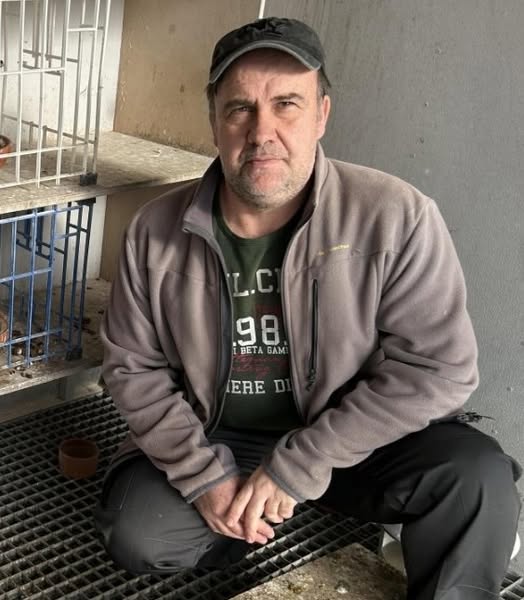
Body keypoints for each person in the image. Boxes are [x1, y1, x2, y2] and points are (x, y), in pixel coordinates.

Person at [96, 16, 521, 599]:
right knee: (138, 532)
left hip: (347, 440)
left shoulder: (397, 215)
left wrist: (300, 466)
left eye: (287, 105)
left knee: (479, 482)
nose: (262, 131)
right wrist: (203, 478)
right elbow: (132, 368)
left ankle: (283, 505)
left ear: (322, 114)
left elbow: (440, 368)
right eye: (240, 108)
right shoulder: (153, 231)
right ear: (215, 121)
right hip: (220, 436)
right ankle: (251, 518)